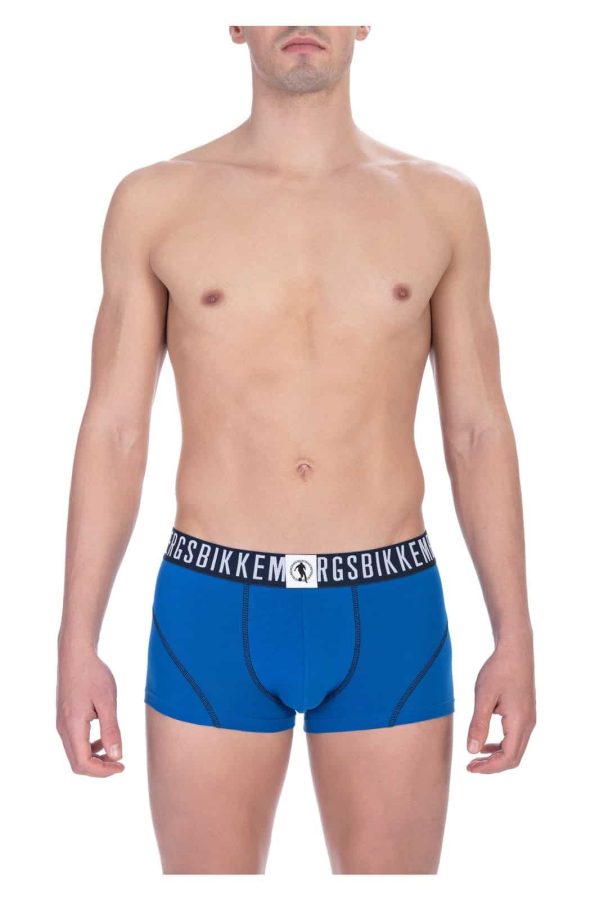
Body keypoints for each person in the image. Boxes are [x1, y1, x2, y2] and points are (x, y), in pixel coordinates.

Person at [55, 25, 536, 874]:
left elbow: (477, 429)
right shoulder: (158, 201)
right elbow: (115, 430)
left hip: (390, 604)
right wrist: (76, 640)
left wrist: (515, 632)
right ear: (236, 21)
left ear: (365, 18)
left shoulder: (440, 204)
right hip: (211, 603)